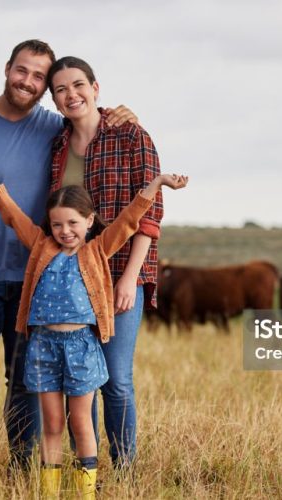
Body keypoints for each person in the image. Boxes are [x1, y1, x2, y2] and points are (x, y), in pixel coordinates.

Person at [0, 39, 136, 469]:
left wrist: (120, 114)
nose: (29, 81)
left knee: (26, 382)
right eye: (23, 71)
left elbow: (89, 117)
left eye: (40, 77)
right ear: (6, 69)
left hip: (36, 280)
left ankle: (21, 468)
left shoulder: (52, 128)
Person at [0, 166, 188, 498]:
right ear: (49, 226)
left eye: (73, 223)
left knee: (80, 423)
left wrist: (158, 183)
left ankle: (86, 492)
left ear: (90, 221)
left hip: (81, 347)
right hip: (43, 347)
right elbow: (11, 214)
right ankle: (49, 492)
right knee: (51, 425)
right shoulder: (40, 246)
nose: (65, 231)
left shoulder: (96, 251)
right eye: (57, 224)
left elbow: (129, 221)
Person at [46, 56, 164, 468]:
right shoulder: (58, 145)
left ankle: (126, 468)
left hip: (120, 275)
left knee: (116, 379)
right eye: (60, 89)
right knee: (82, 381)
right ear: (55, 100)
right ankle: (88, 467)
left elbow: (149, 216)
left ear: (96, 87)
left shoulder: (131, 135)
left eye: (78, 84)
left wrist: (129, 279)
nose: (71, 94)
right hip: (74, 280)